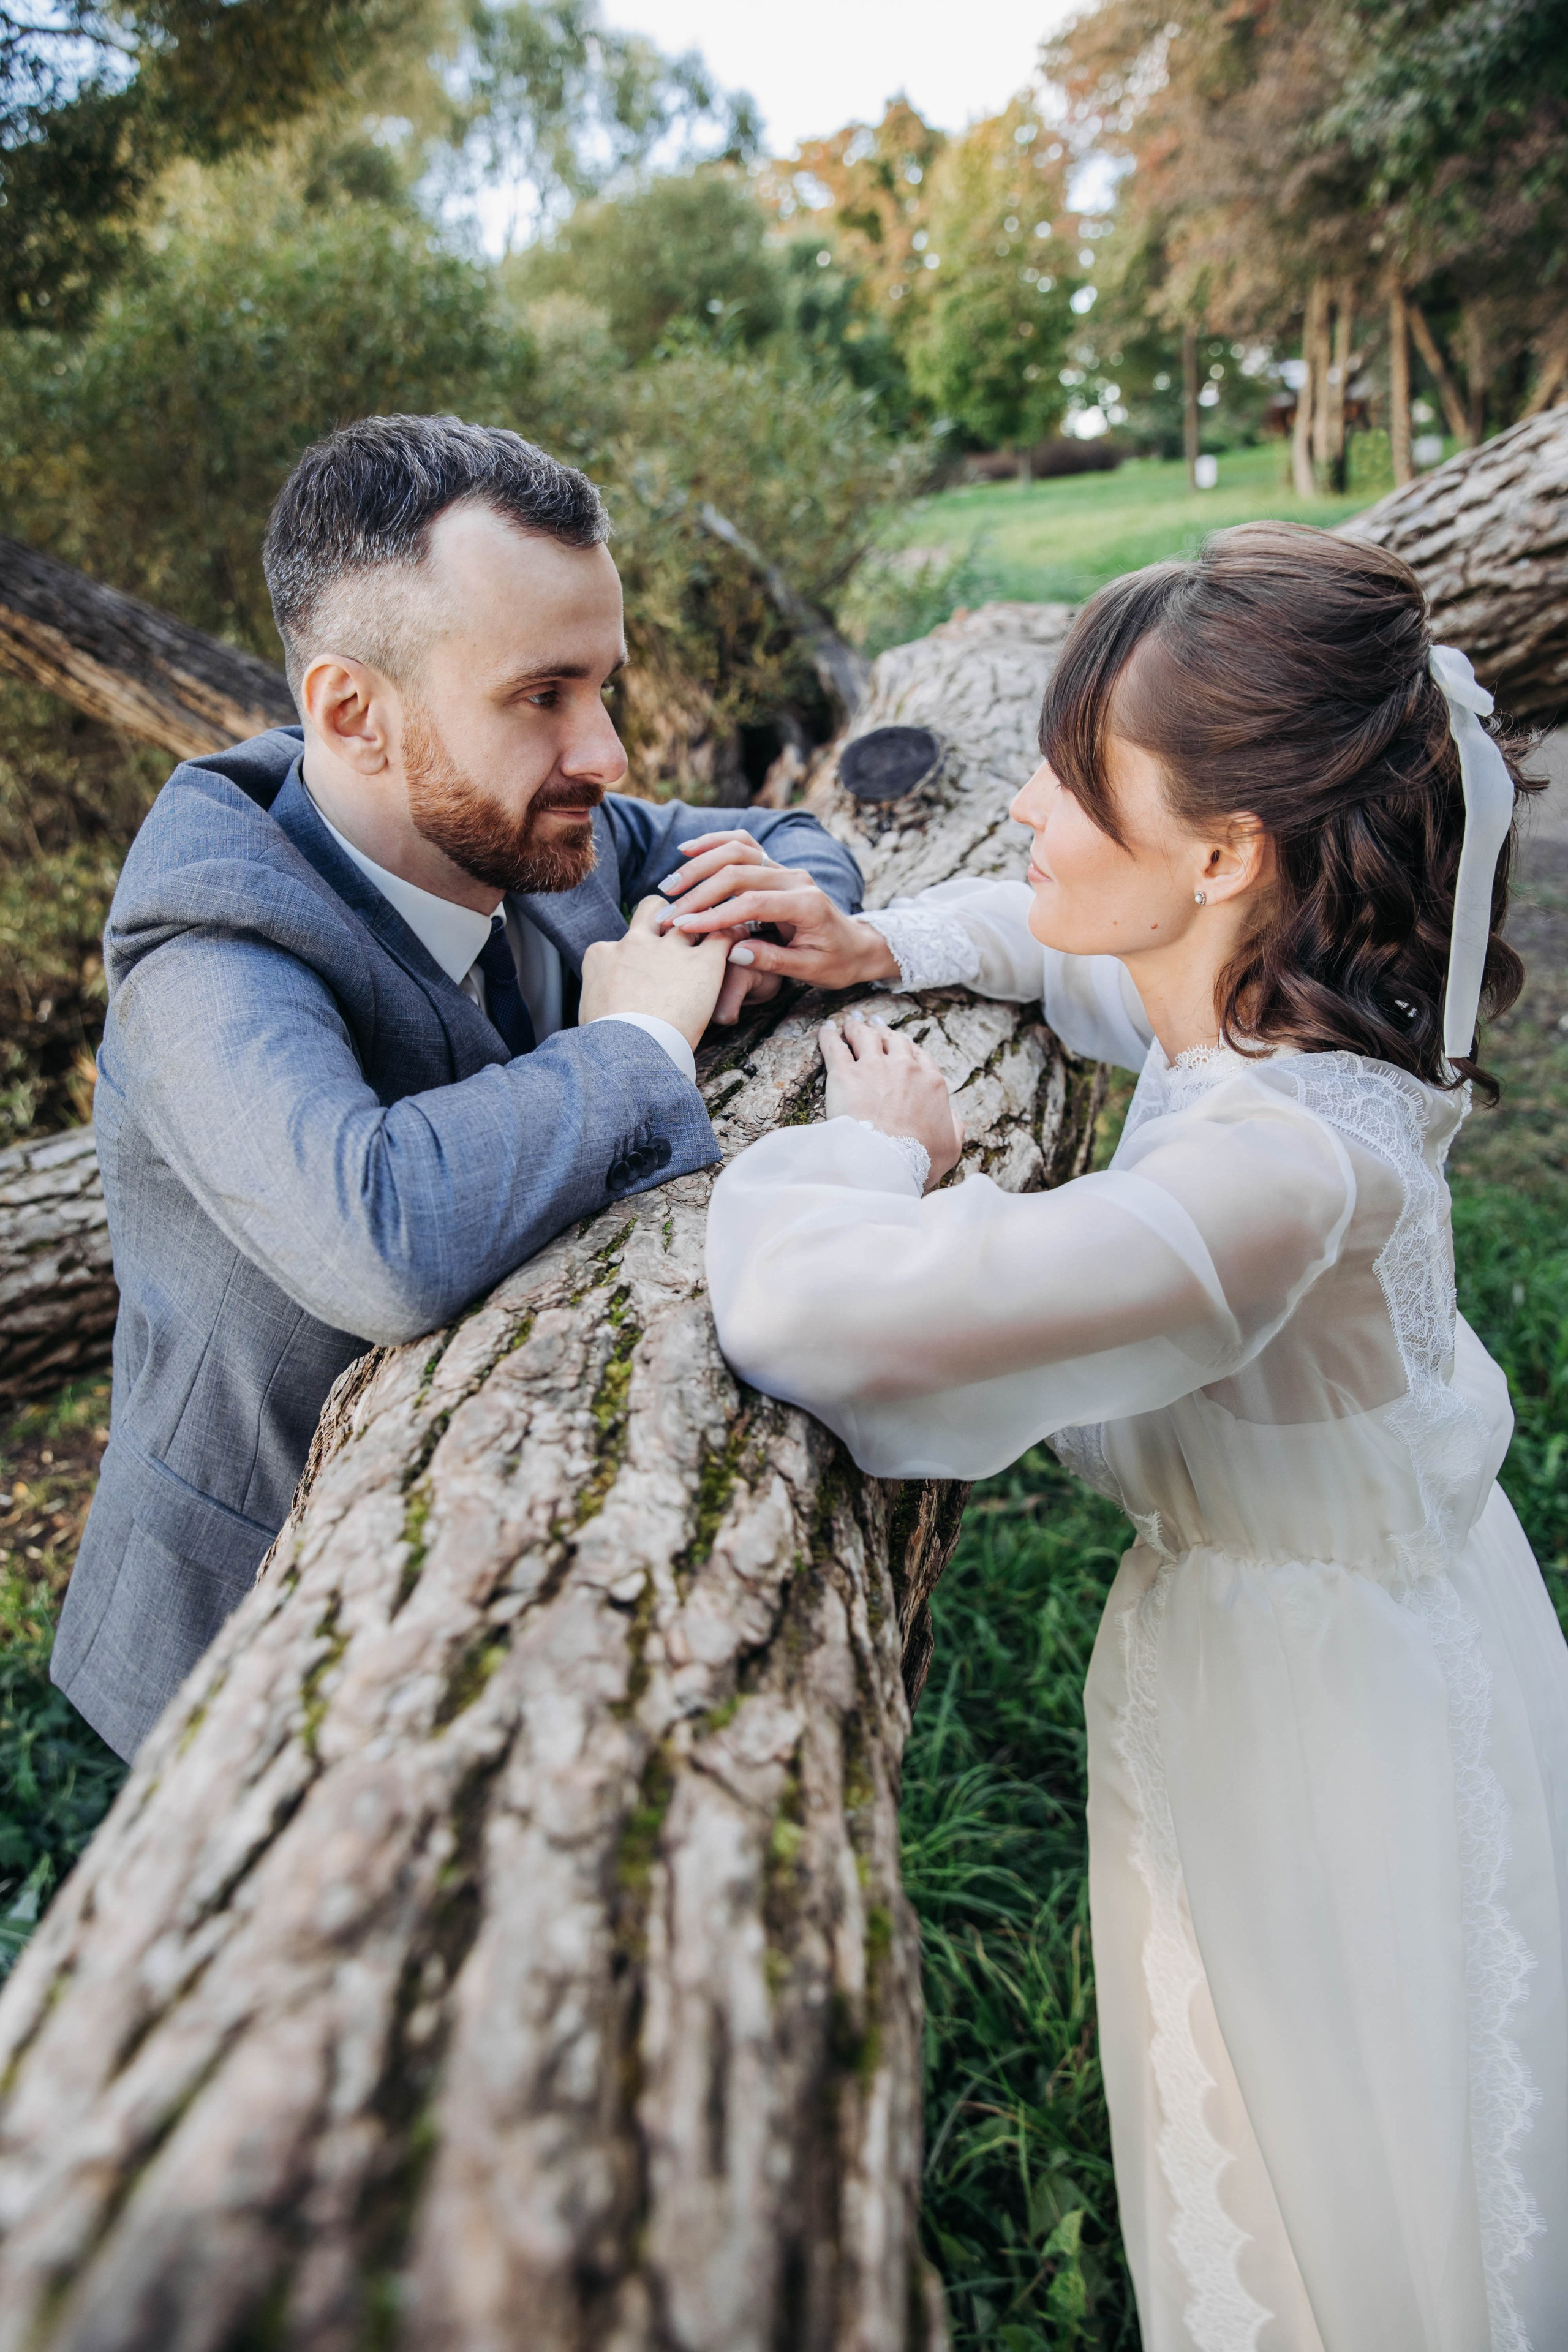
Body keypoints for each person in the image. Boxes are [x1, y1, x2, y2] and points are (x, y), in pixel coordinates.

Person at [699, 524, 1568, 2349]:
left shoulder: (1267, 1174)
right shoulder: (1283, 1001)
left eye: (1076, 780)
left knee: (1350, 2184)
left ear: (1226, 851)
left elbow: (805, 1312)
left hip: (1331, 1725)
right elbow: (1080, 953)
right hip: (1350, 1624)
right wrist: (884, 935)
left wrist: (879, 1152)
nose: (1019, 806)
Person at [55, 413, 862, 1762]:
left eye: (604, 683)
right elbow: (378, 1238)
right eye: (542, 695)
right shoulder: (206, 938)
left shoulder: (543, 822)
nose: (604, 756)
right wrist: (638, 1047)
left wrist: (779, 903)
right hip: (230, 1648)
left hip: (511, 1566)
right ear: (351, 713)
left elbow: (785, 836)